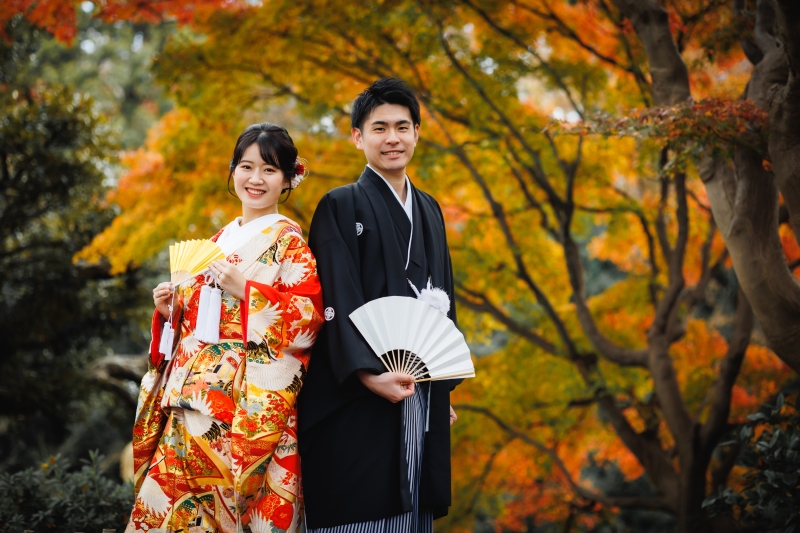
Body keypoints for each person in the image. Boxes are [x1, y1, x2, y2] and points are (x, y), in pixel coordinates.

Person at [126, 123, 323, 533]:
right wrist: (169, 311)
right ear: (232, 170)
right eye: (246, 166)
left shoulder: (291, 245)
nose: (255, 179)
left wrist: (247, 291)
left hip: (240, 416)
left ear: (289, 179)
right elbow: (193, 329)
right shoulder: (218, 242)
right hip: (185, 408)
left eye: (269, 170)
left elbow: (305, 321)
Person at [298, 78, 460, 532]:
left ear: (416, 133)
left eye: (403, 127)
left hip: (417, 388)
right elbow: (337, 298)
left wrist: (440, 385)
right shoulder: (339, 205)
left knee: (413, 505)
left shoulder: (429, 208)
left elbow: (444, 296)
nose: (393, 138)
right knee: (362, 507)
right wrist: (368, 374)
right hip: (358, 390)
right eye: (380, 128)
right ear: (357, 137)